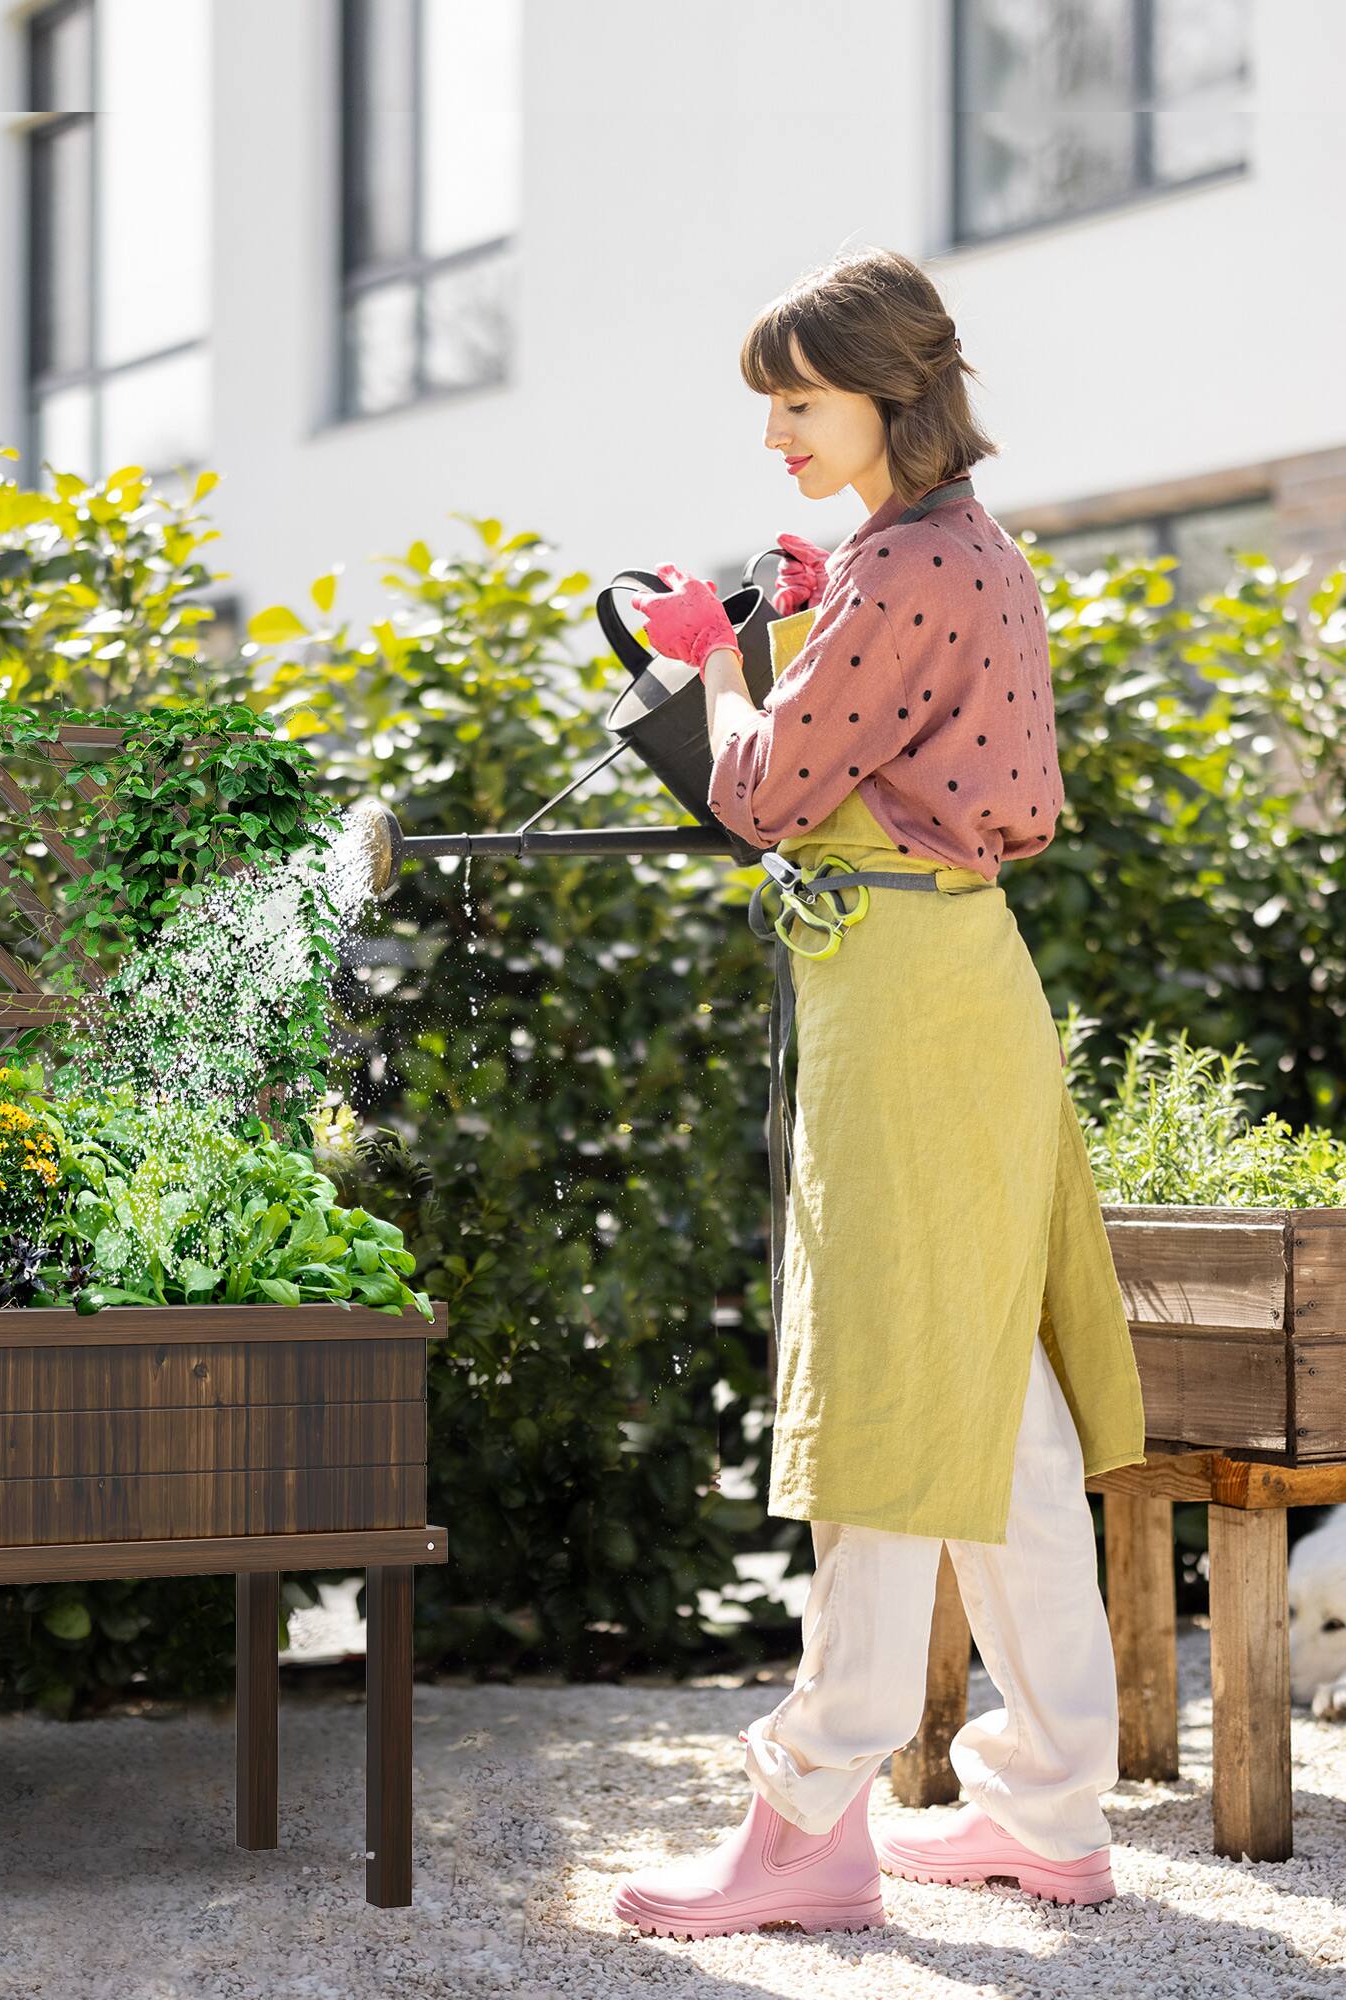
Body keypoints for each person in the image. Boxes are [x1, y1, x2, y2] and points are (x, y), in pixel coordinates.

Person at [610, 248, 1147, 1944]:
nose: (774, 433)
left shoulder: (903, 566)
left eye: (798, 402)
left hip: (903, 998)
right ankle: (1049, 1810)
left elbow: (764, 789)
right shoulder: (962, 549)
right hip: (968, 974)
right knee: (1003, 1413)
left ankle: (807, 1825)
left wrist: (713, 657)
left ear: (887, 395)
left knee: (885, 1404)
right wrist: (793, 617)